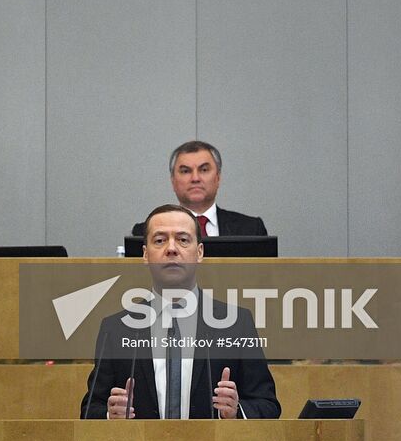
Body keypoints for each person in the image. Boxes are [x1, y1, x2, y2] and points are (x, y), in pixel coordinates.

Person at [81, 204, 280, 420]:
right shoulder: (116, 328)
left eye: (183, 240)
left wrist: (236, 411)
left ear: (200, 252)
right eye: (160, 240)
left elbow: (267, 405)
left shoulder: (236, 323)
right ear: (145, 255)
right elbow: (90, 409)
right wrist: (110, 415)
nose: (172, 248)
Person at [131, 141, 267, 238]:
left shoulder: (251, 229)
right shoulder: (146, 232)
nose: (195, 178)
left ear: (218, 177)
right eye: (185, 171)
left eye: (204, 170)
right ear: (173, 181)